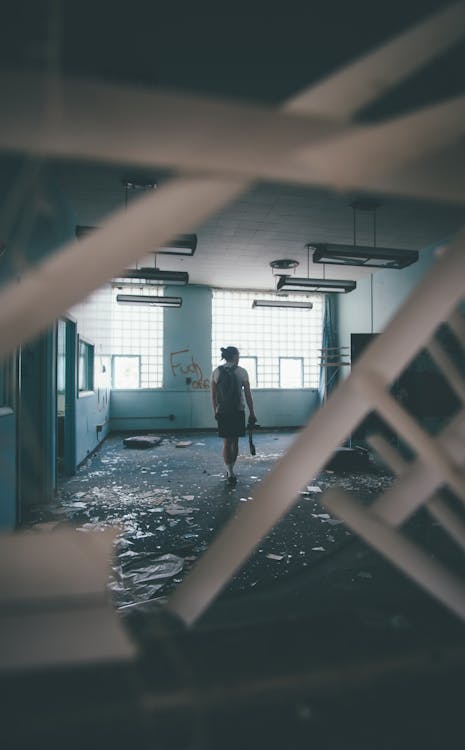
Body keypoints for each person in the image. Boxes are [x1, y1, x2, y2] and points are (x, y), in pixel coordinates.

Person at [211, 346, 256, 485]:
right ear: (235, 356)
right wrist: (252, 413)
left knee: (226, 441)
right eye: (238, 355)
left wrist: (215, 411)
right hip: (238, 410)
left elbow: (213, 395)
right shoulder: (242, 372)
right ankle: (232, 470)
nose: (239, 357)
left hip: (223, 411)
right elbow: (248, 395)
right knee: (234, 441)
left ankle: (229, 471)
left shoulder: (216, 372)